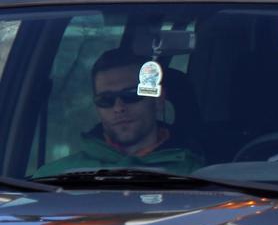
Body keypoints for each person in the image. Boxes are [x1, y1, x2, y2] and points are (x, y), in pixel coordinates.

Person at [34, 47, 202, 177]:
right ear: (96, 107)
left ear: (158, 99)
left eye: (130, 96)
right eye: (106, 100)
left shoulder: (198, 176)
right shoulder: (53, 177)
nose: (118, 107)